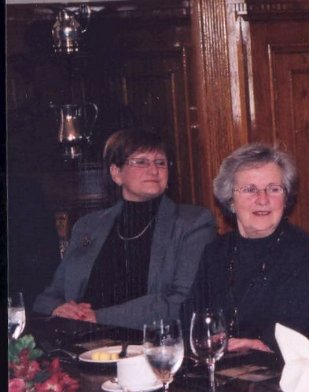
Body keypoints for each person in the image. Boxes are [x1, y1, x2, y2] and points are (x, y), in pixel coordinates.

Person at [33, 128, 216, 328]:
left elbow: (181, 301)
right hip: (81, 336)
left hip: (148, 340)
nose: (154, 170)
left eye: (160, 162)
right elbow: (48, 297)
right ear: (116, 173)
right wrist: (59, 309)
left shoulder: (193, 223)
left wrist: (97, 316)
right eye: (141, 162)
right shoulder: (88, 226)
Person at [185, 143, 309, 353]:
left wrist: (263, 345)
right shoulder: (215, 253)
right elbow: (192, 320)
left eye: (273, 189)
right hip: (221, 363)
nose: (263, 200)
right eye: (249, 190)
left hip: (278, 365)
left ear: (286, 198)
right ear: (231, 200)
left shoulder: (308, 254)